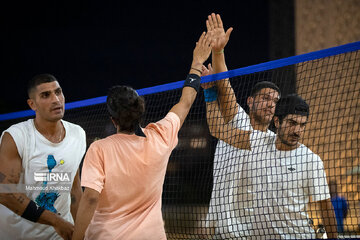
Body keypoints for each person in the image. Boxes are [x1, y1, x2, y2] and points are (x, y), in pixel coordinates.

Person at [71, 31, 213, 240]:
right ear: (140, 112)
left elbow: (91, 198)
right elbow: (186, 102)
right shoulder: (160, 136)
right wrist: (196, 63)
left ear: (113, 119)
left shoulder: (99, 148)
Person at [205, 92, 338, 239]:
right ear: (277, 122)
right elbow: (217, 129)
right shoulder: (260, 142)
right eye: (292, 123)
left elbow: (325, 207)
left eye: (302, 125)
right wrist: (209, 92)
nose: (297, 131)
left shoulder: (311, 160)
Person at [202, 13, 281, 238]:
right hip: (221, 233)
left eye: (275, 101)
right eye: (266, 98)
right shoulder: (239, 120)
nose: (270, 104)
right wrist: (218, 52)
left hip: (255, 233)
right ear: (251, 102)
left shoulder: (272, 142)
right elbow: (224, 86)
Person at [0, 74, 86, 240]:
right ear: (32, 104)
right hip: (16, 235)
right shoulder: (15, 136)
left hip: (58, 235)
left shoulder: (78, 134)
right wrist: (55, 221)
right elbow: (4, 192)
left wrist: (81, 230)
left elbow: (74, 190)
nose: (56, 99)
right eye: (46, 95)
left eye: (58, 92)